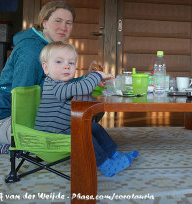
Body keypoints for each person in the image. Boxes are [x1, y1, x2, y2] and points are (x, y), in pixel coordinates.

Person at [0, 1, 101, 144]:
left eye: (69, 23)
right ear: (44, 23)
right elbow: (22, 99)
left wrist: (87, 78)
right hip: (7, 121)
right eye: (57, 21)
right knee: (80, 120)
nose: (63, 28)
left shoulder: (50, 48)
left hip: (29, 114)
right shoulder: (31, 51)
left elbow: (56, 85)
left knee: (90, 107)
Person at [34, 41, 138, 177]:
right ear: (46, 68)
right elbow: (81, 87)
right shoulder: (53, 86)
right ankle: (107, 166)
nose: (66, 66)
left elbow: (78, 87)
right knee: (83, 134)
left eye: (71, 63)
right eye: (59, 62)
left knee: (92, 126)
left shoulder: (64, 84)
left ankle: (113, 154)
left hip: (61, 130)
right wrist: (97, 75)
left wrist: (92, 80)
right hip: (50, 137)